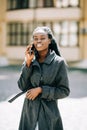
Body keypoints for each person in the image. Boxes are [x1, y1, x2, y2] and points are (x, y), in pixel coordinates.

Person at [17, 26, 70, 130]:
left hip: (49, 114)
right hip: (29, 113)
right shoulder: (30, 60)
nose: (38, 41)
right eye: (35, 38)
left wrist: (41, 90)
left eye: (42, 38)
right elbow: (22, 86)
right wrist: (27, 64)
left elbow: (64, 91)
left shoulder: (59, 62)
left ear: (50, 40)